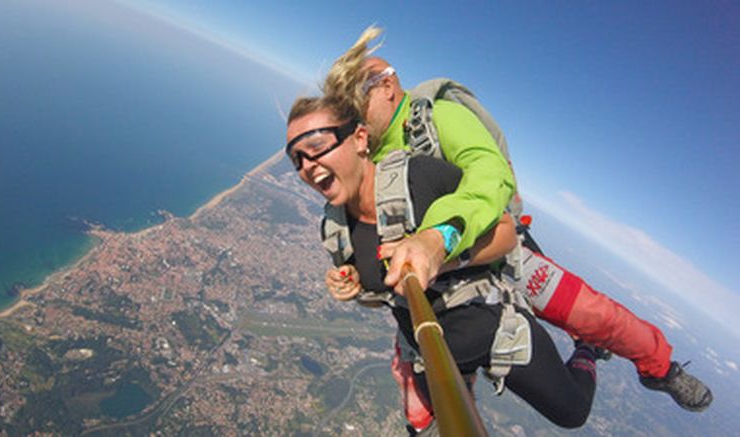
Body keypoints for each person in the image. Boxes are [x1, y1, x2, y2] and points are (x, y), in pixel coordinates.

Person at [320, 26, 712, 421]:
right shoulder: (363, 156)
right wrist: (357, 274)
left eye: (357, 99)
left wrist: (439, 236)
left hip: (493, 251)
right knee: (422, 406)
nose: (351, 114)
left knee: (593, 315)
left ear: (388, 85)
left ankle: (659, 368)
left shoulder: (438, 119)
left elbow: (488, 174)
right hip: (435, 287)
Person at [286, 95, 598, 429]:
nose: (307, 165)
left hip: (491, 326)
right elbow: (385, 295)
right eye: (297, 159)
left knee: (572, 413)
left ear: (360, 139)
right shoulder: (335, 227)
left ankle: (587, 350)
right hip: (429, 351)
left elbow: (506, 233)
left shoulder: (418, 177)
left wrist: (440, 255)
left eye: (316, 146)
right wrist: (355, 283)